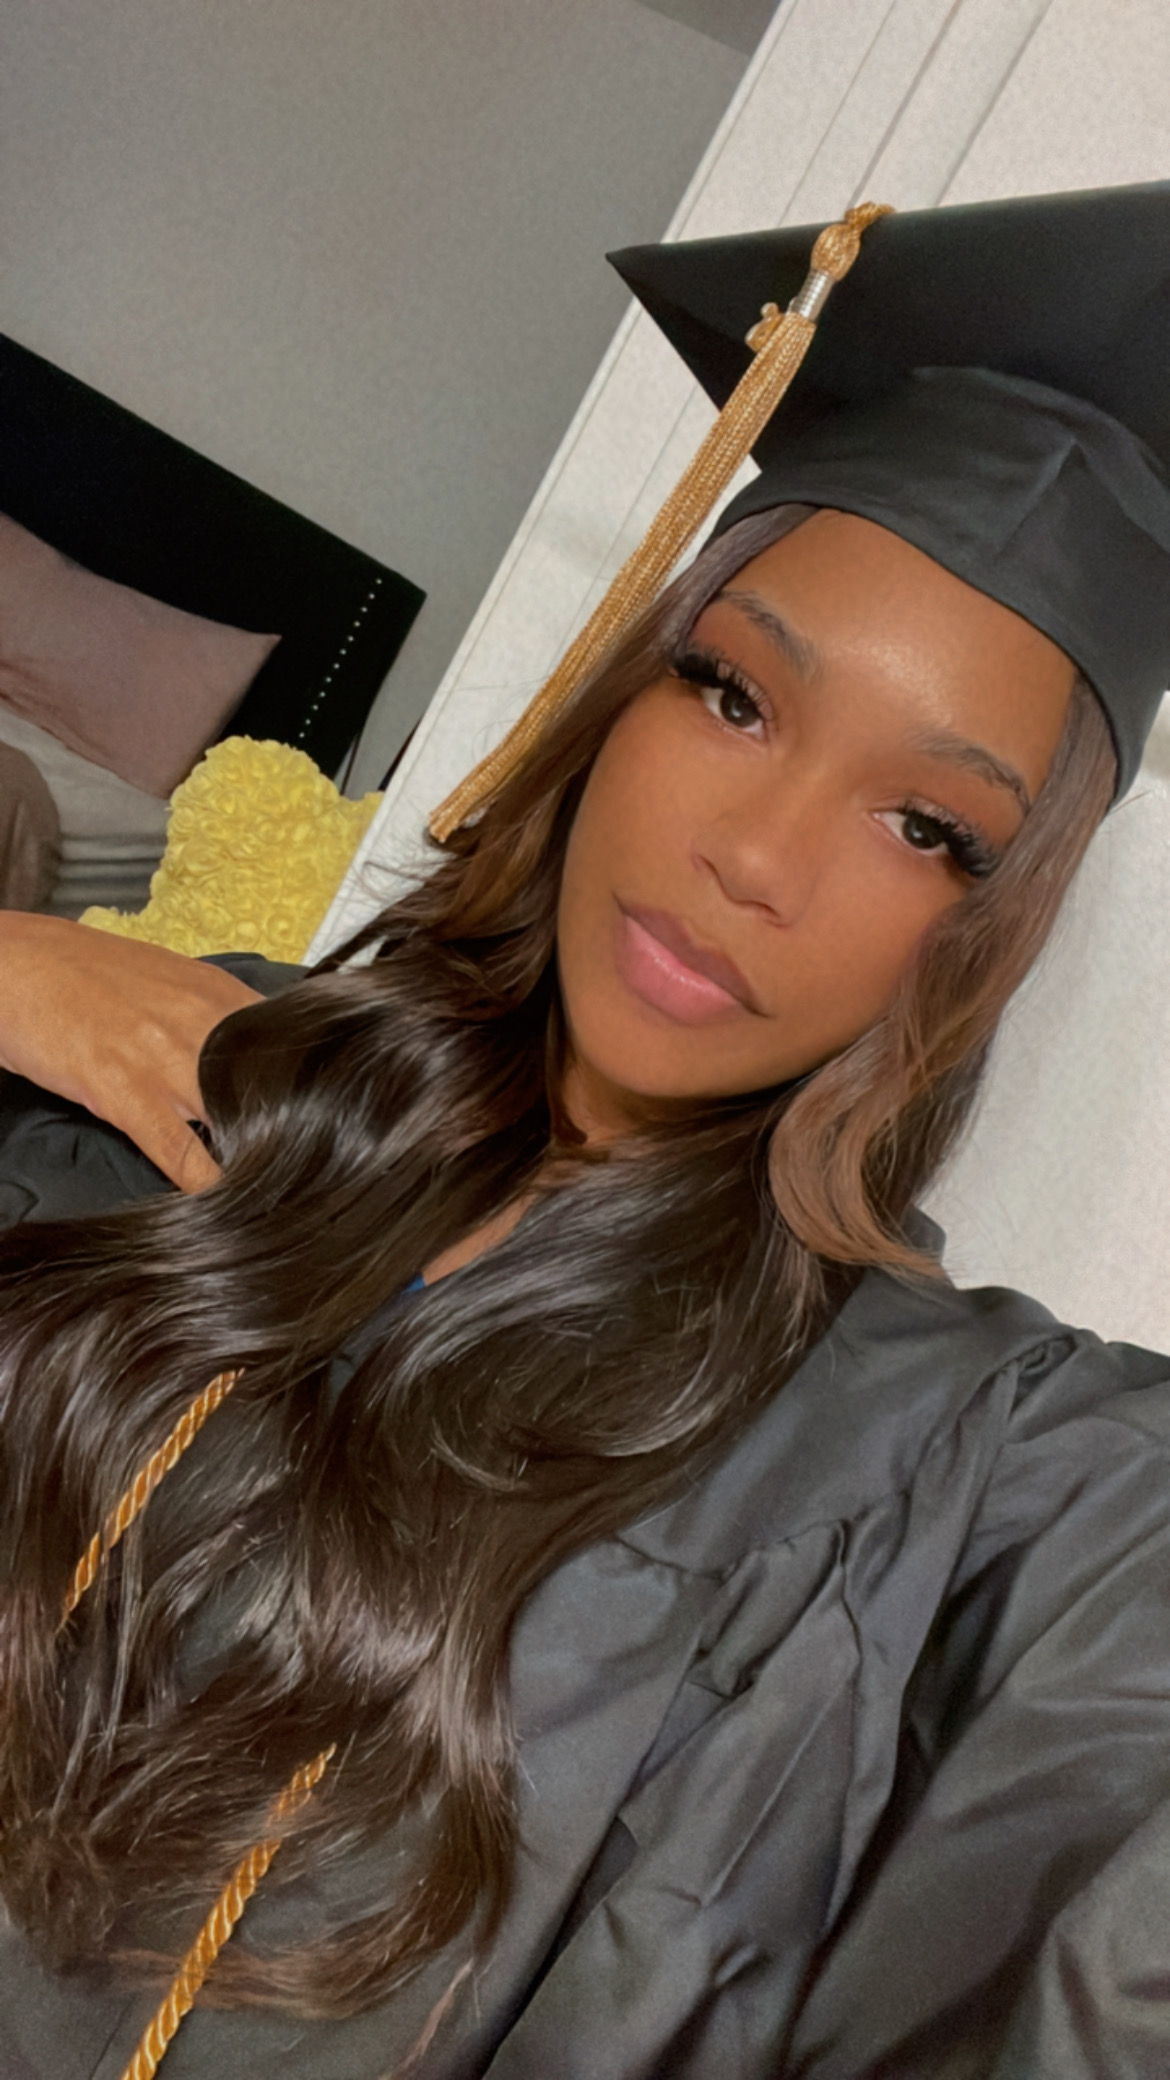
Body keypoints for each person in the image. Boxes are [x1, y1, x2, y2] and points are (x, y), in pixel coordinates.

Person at [0, 182, 1168, 2080]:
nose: (754, 856)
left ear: (993, 929)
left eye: (924, 827)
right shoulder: (179, 1061)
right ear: (620, 695)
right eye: (732, 693)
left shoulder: (952, 1471)